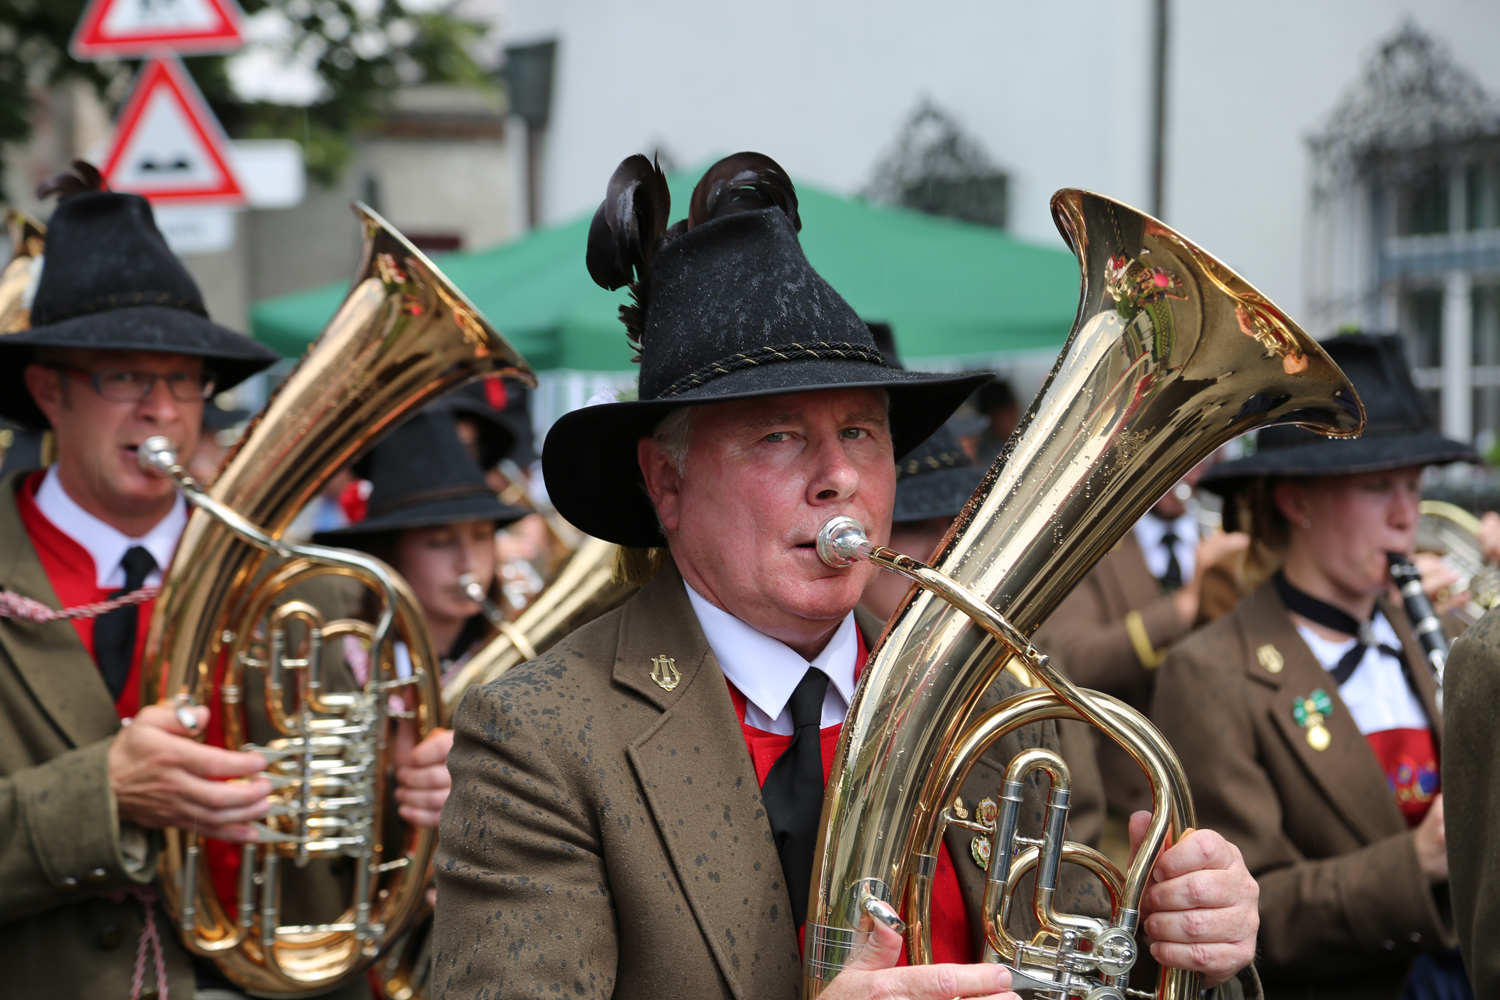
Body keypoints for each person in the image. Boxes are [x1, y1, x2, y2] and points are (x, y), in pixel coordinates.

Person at [430, 152, 1260, 1000]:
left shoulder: (994, 713)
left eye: (863, 432)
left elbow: (1073, 976)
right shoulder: (540, 737)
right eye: (778, 436)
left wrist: (1183, 948)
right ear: (666, 483)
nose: (840, 477)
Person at [0, 167, 283, 997]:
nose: (162, 409)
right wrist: (105, 795)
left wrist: (407, 793)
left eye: (184, 379)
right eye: (124, 376)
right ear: (50, 391)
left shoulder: (284, 581)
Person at [1151, 333, 1477, 1000]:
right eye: (1378, 486)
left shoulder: (1441, 634)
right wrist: (1415, 862)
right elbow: (1243, 913)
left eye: (1414, 486)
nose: (1406, 517)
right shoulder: (1210, 673)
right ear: (1297, 502)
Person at [1037, 464, 1247, 840]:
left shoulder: (1223, 534)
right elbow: (1074, 662)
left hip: (1219, 790)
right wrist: (1183, 608)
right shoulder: (1090, 541)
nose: (1185, 473)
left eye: (1200, 460)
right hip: (1127, 802)